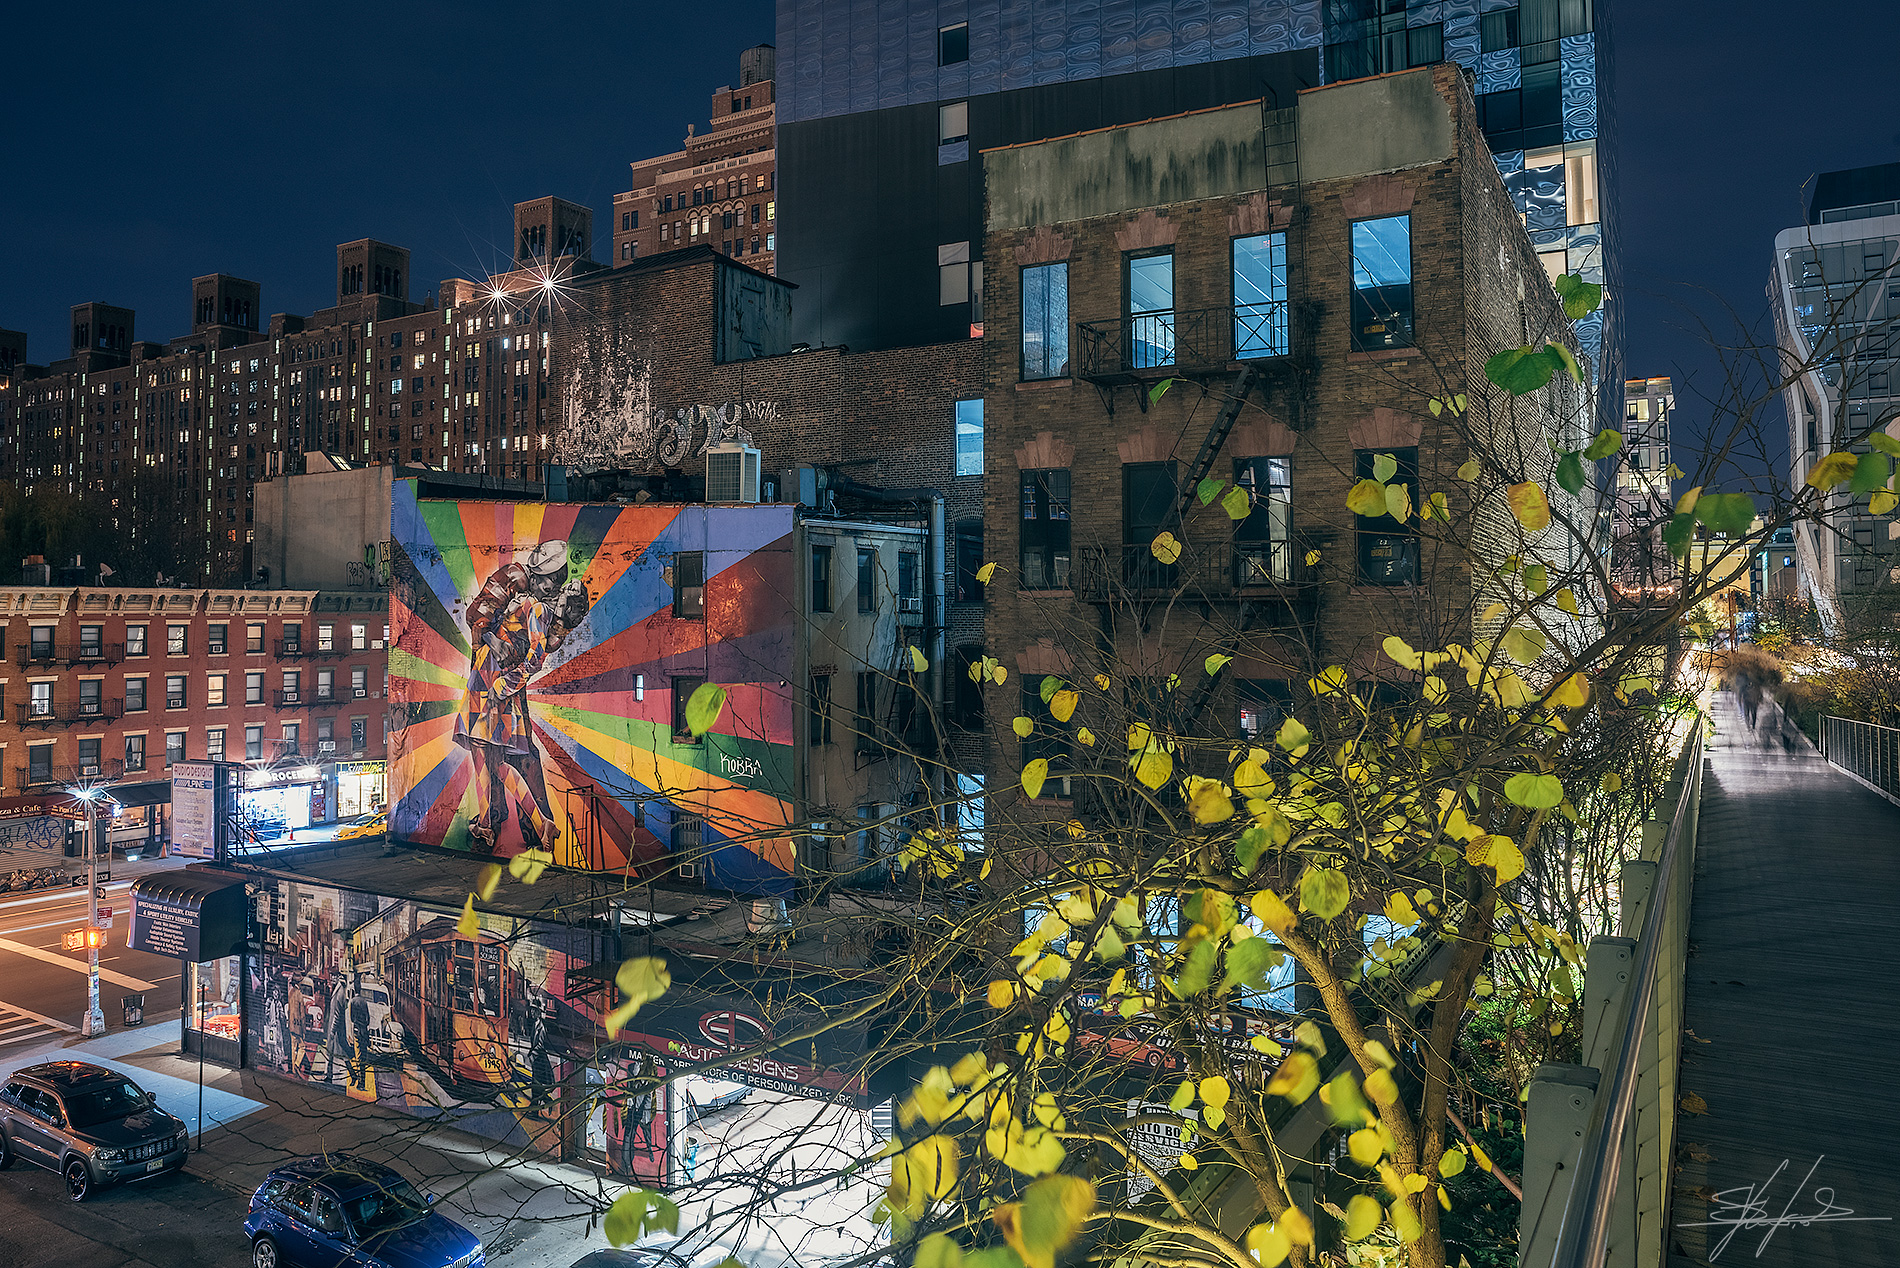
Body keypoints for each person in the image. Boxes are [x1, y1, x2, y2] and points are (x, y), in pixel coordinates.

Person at [454, 541, 594, 853]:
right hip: (492, 673)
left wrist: (502, 678)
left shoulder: (537, 604)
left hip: (495, 679)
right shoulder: (517, 581)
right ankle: (518, 821)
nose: (552, 588)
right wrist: (491, 643)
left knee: (490, 751)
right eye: (551, 583)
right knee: (496, 752)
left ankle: (519, 822)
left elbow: (537, 654)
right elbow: (477, 614)